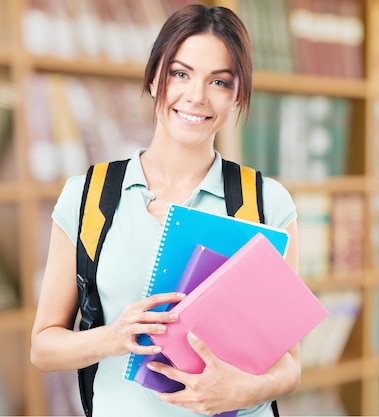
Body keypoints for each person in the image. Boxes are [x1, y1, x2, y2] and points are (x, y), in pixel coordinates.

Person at [31, 4, 301, 417]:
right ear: (156, 77)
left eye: (219, 81)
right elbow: (43, 348)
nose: (196, 95)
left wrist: (244, 391)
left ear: (237, 96)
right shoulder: (88, 196)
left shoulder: (265, 202)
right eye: (181, 73)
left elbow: (289, 365)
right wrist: (114, 336)